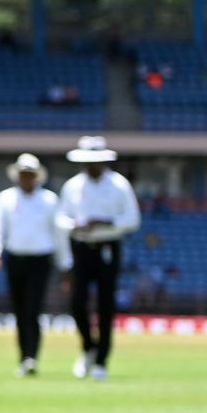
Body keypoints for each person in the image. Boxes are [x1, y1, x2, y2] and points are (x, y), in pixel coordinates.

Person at [57, 135, 140, 380]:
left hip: (107, 247)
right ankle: (88, 349)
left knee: (106, 305)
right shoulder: (72, 186)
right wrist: (75, 225)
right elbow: (60, 218)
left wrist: (106, 222)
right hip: (81, 246)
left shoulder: (118, 184)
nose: (92, 166)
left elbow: (132, 220)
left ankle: (102, 360)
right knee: (77, 302)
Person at [0, 153, 67, 376]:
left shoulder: (49, 200)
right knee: (20, 311)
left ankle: (31, 356)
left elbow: (58, 233)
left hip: (40, 260)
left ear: (36, 177)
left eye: (30, 175)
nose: (26, 179)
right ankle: (23, 356)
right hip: (15, 259)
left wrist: (65, 263)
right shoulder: (6, 198)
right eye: (23, 175)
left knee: (33, 308)